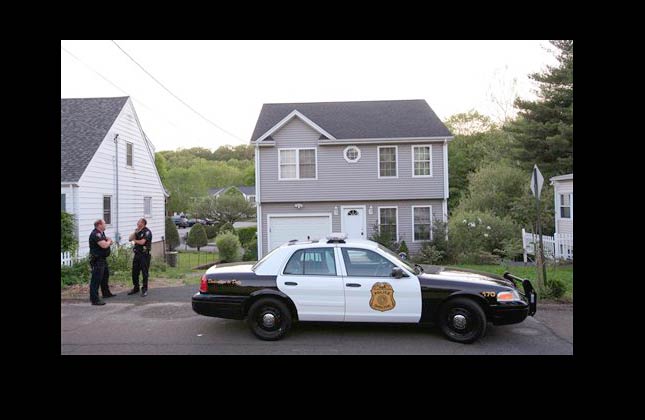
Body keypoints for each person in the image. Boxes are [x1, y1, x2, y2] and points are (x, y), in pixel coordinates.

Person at [88, 219, 115, 305]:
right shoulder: (96, 234)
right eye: (104, 223)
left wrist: (108, 241)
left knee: (105, 276)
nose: (105, 225)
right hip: (97, 260)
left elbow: (108, 241)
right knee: (96, 279)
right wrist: (109, 241)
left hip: (103, 259)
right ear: (99, 225)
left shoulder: (101, 233)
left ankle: (106, 293)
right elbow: (104, 245)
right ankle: (94, 299)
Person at [128, 218, 153, 297]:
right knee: (134, 272)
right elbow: (129, 238)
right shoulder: (137, 231)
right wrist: (135, 232)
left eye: (138, 222)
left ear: (143, 223)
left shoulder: (147, 232)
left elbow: (142, 242)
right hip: (137, 254)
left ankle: (144, 289)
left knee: (144, 273)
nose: (137, 223)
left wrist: (134, 240)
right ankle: (136, 287)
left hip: (144, 255)